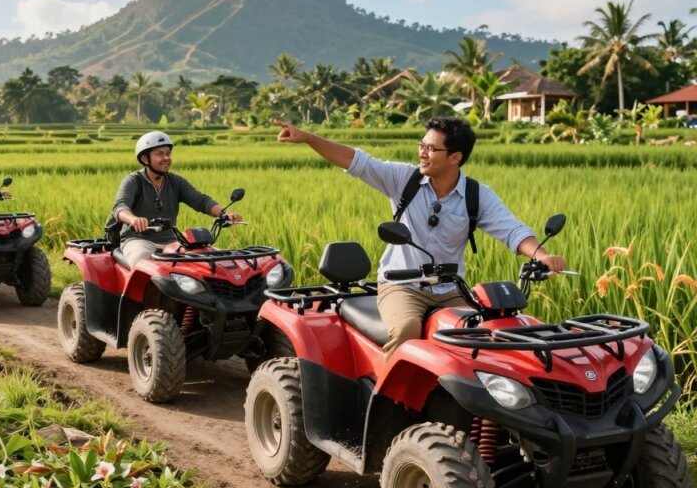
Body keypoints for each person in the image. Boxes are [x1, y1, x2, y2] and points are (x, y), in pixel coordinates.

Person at [272, 116, 567, 361]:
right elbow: (355, 161)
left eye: (431, 148)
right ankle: (388, 406)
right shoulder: (404, 180)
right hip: (402, 286)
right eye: (421, 145)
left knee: (481, 334)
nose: (422, 153)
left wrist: (540, 256)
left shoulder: (477, 195)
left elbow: (512, 230)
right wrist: (308, 137)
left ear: (455, 158)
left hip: (451, 289)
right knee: (407, 330)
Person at [111, 131, 242, 268]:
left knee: (202, 265)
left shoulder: (175, 181)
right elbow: (120, 207)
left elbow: (201, 201)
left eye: (168, 153)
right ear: (145, 159)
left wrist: (223, 214)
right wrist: (133, 219)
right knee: (143, 265)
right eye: (159, 154)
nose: (166, 157)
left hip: (171, 240)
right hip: (138, 240)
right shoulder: (133, 181)